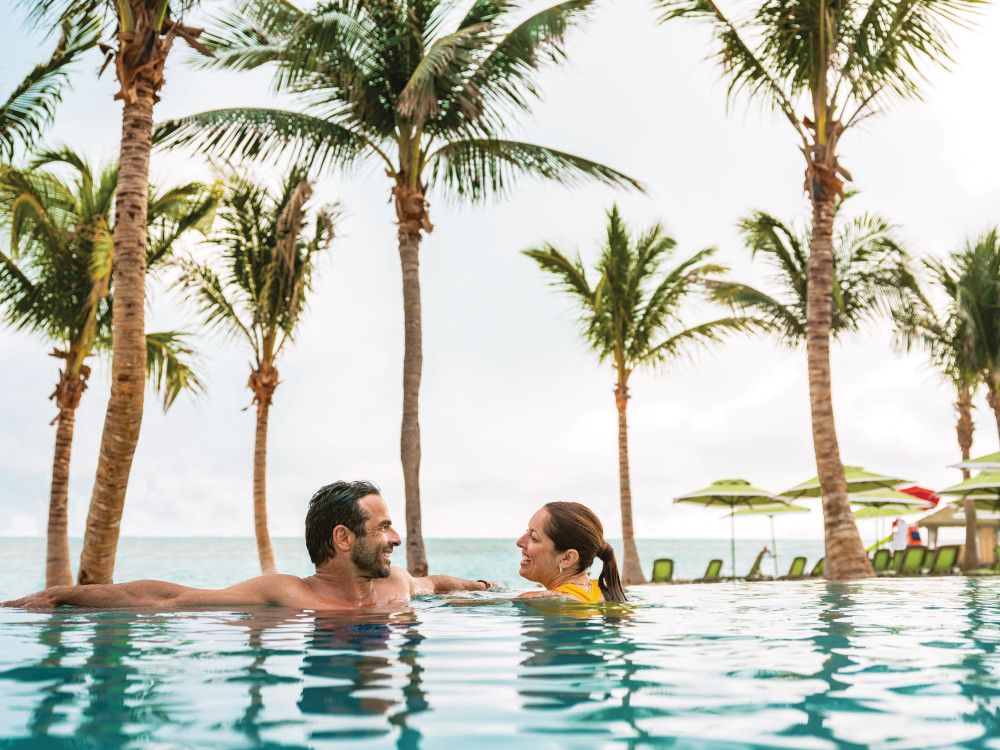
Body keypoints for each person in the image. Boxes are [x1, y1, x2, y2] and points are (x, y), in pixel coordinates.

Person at [3, 480, 492, 611]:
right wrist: (63, 594)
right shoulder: (286, 594)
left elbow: (436, 584)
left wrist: (477, 585)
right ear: (342, 538)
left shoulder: (396, 584)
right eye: (383, 528)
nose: (395, 538)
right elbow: (169, 598)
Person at [515, 501, 627, 603]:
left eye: (534, 537)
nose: (519, 542)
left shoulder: (541, 600)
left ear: (567, 558)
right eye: (527, 531)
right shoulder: (607, 593)